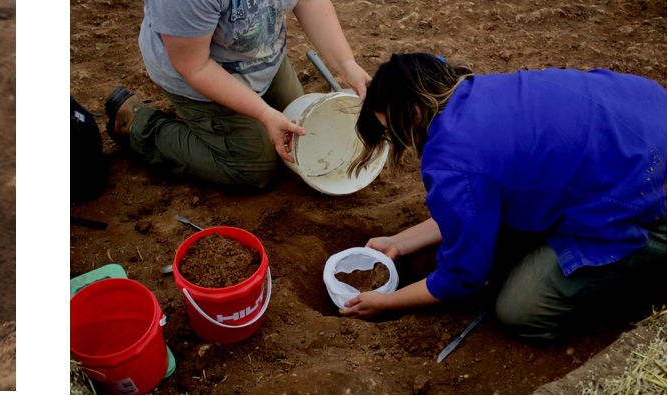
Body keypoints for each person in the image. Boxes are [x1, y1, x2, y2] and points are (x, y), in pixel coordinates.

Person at [339, 53, 667, 342]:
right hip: (650, 116)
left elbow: (461, 278)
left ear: (410, 113)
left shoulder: (452, 159)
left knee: (519, 310)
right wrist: (399, 242)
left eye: (393, 131)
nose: (400, 143)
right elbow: (474, 198)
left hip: (652, 200)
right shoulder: (477, 90)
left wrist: (384, 302)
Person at [104, 0, 371, 194]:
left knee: (308, 130)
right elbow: (193, 66)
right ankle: (139, 125)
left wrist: (347, 65)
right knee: (255, 171)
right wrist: (264, 114)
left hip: (263, 57)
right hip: (199, 73)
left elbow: (309, 2)